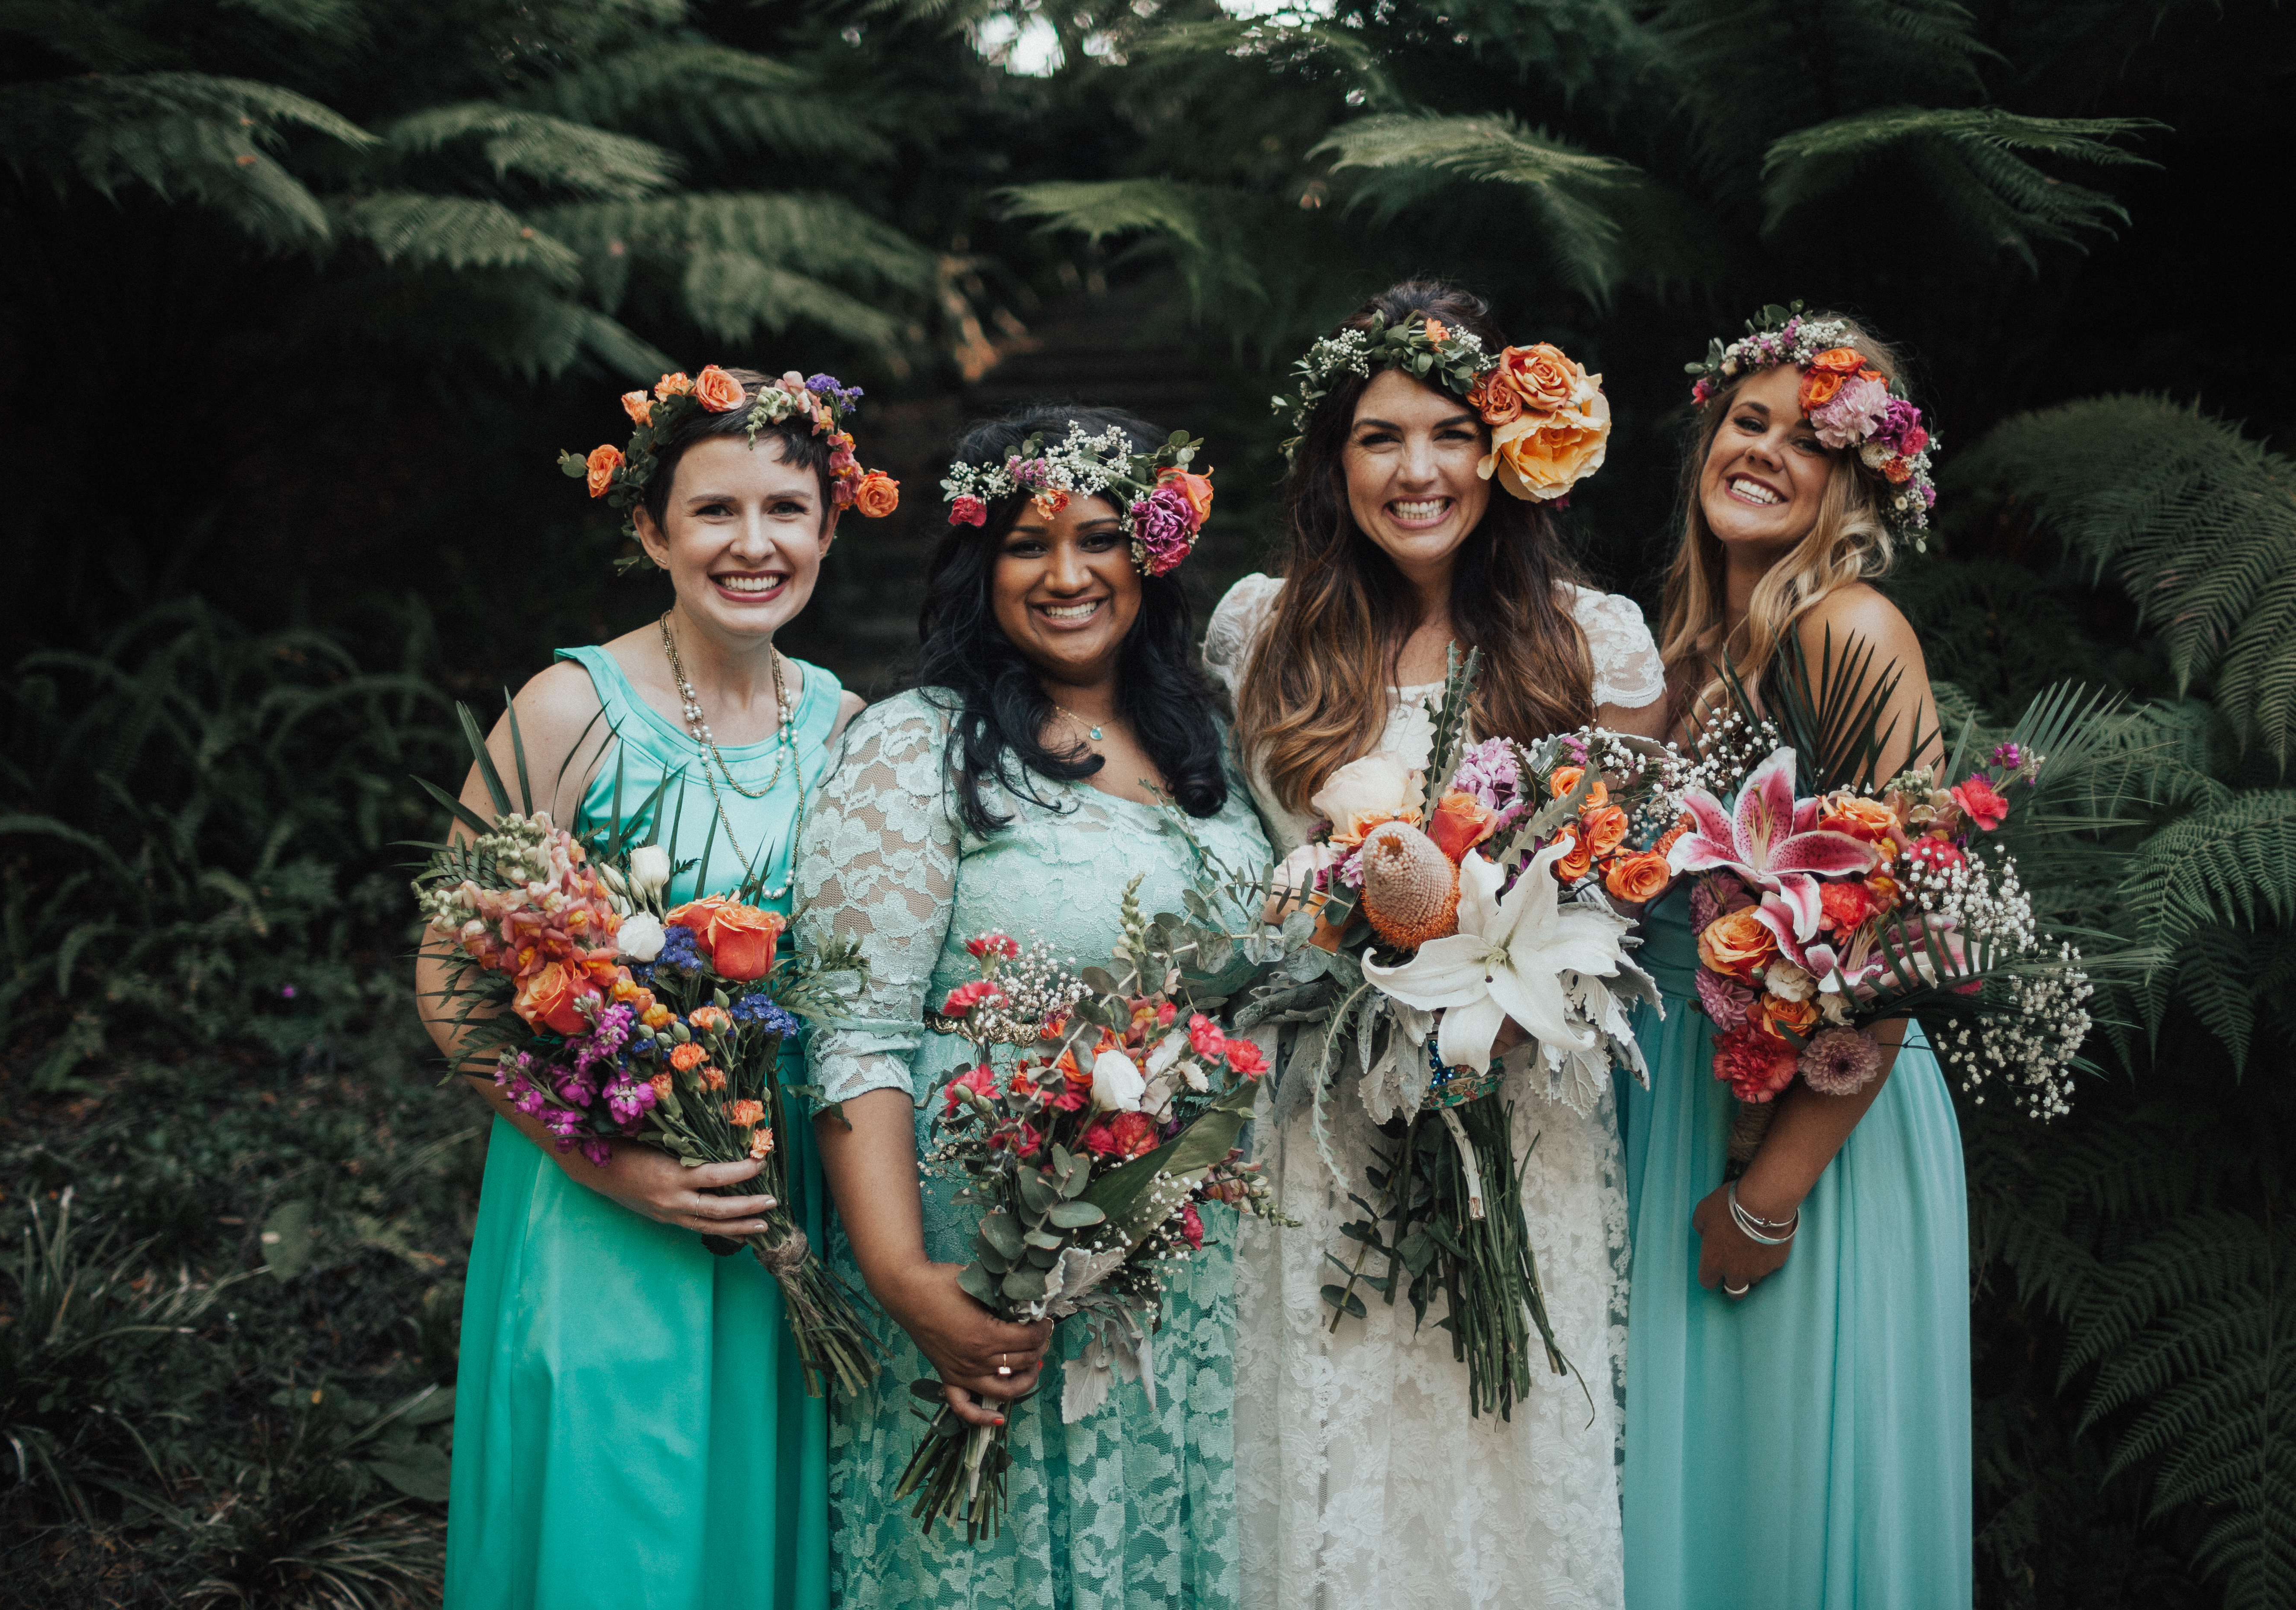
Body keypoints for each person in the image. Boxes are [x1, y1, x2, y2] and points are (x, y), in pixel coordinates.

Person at [1204, 280, 1668, 1609]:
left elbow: (1618, 897)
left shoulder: (1596, 641)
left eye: (1452, 433)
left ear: (1507, 451)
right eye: (1378, 437)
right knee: (1340, 1460)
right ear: (1330, 461)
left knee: (1515, 1447)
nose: (1418, 471)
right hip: (1324, 1125)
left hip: (1524, 1113)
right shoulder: (1259, 630)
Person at [415, 364, 893, 1610]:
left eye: (786, 511)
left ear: (830, 527)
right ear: (650, 529)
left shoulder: (852, 727)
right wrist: (603, 1160)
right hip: (604, 1191)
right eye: (714, 512)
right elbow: (450, 981)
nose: (753, 545)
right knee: (615, 1528)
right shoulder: (571, 709)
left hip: (782, 1186)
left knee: (756, 1529)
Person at [798, 406, 1268, 1606]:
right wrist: (907, 1281)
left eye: (1101, 537)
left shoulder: (1212, 739)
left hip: (1195, 1271)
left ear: (1150, 555)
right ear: (977, 564)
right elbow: (858, 1030)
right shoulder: (919, 748)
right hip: (988, 1253)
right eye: (1025, 543)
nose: (1068, 575)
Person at [1616, 308, 1968, 1608]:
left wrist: (1770, 1196)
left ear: (1859, 479)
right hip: (1679, 1109)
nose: (1759, 452)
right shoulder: (1690, 653)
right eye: (1743, 421)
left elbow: (1909, 941)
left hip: (1809, 1140)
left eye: (1804, 438)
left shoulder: (1849, 630)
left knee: (1779, 1513)